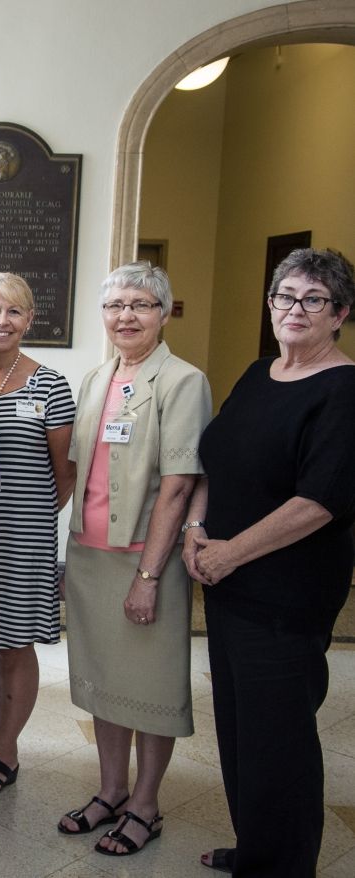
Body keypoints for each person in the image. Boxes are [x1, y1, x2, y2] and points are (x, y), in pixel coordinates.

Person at [183, 248, 355, 877]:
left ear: (340, 313)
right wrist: (197, 529)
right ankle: (258, 846)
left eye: (313, 299)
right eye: (285, 296)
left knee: (279, 741)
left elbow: (319, 502)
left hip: (286, 595)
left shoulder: (343, 390)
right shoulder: (260, 374)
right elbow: (217, 458)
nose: (295, 309)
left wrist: (229, 552)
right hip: (229, 584)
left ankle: (281, 865)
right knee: (238, 729)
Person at [56, 261, 210, 856]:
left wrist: (149, 576)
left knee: (149, 689)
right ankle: (111, 791)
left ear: (164, 313)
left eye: (141, 304)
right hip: (91, 557)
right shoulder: (97, 378)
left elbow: (177, 485)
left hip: (145, 561)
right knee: (102, 687)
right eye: (116, 305)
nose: (126, 316)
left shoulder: (182, 381)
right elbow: (83, 473)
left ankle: (145, 805)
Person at [0, 272, 75, 799]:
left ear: (29, 319)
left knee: (14, 643)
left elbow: (63, 471)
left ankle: (8, 749)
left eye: (13, 311)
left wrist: (33, 521)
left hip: (24, 537)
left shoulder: (50, 384)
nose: (1, 321)